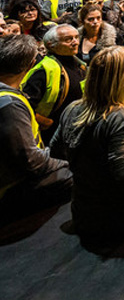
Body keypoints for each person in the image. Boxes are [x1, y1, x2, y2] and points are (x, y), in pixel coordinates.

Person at [50, 46, 124, 247]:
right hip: (115, 216)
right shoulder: (118, 115)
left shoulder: (72, 109)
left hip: (83, 211)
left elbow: (56, 150)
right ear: (120, 80)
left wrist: (93, 160)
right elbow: (123, 172)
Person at [0, 35, 72, 217]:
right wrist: (66, 162)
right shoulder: (10, 104)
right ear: (32, 63)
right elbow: (32, 162)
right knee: (80, 173)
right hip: (13, 185)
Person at [22, 24, 86, 142]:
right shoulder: (44, 69)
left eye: (76, 37)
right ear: (51, 45)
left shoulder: (81, 65)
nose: (75, 42)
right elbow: (24, 105)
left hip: (75, 130)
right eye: (68, 39)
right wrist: (46, 122)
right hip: (49, 136)